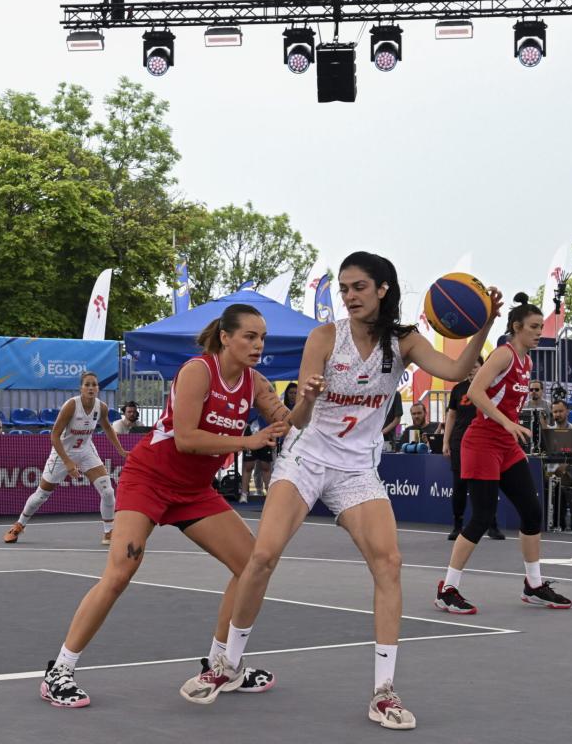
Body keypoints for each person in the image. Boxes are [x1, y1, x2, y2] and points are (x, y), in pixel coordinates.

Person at [181, 252, 497, 730]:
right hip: (307, 459)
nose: (348, 297)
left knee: (389, 563)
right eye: (344, 289)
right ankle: (226, 664)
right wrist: (306, 395)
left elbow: (454, 374)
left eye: (358, 288)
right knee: (262, 557)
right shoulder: (325, 337)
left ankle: (384, 693)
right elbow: (297, 423)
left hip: (356, 470)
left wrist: (483, 326)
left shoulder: (404, 341)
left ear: (382, 290)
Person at [39, 303, 321, 709]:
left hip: (194, 489)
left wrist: (307, 400)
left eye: (262, 338)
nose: (258, 345)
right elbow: (187, 438)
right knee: (121, 570)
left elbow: (290, 423)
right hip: (149, 479)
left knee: (251, 566)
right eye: (250, 336)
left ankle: (223, 664)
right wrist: (247, 442)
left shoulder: (256, 383)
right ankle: (60, 671)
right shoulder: (197, 372)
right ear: (226, 337)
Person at [435, 293, 570, 619]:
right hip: (481, 442)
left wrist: (510, 427)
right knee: (481, 517)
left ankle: (533, 585)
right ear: (516, 328)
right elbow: (473, 392)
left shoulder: (527, 361)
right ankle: (447, 589)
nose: (539, 332)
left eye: (541, 326)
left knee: (531, 510)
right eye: (534, 327)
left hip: (506, 444)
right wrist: (509, 422)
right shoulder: (503, 354)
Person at [4, 372, 129, 546]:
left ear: (98, 388)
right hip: (62, 453)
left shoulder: (101, 407)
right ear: (81, 388)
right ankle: (19, 525)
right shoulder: (71, 406)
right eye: (87, 385)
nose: (91, 388)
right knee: (41, 495)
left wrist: (121, 450)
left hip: (86, 450)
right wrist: (69, 463)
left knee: (108, 491)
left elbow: (107, 427)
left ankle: (108, 533)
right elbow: (54, 436)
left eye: (94, 384)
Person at [443, 356, 484, 540]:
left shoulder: (489, 386)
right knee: (459, 485)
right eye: (468, 367)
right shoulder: (458, 389)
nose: (471, 370)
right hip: (459, 441)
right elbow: (451, 416)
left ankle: (491, 524)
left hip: (483, 441)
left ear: (482, 367)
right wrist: (445, 442)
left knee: (484, 484)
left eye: (474, 366)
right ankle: (457, 525)